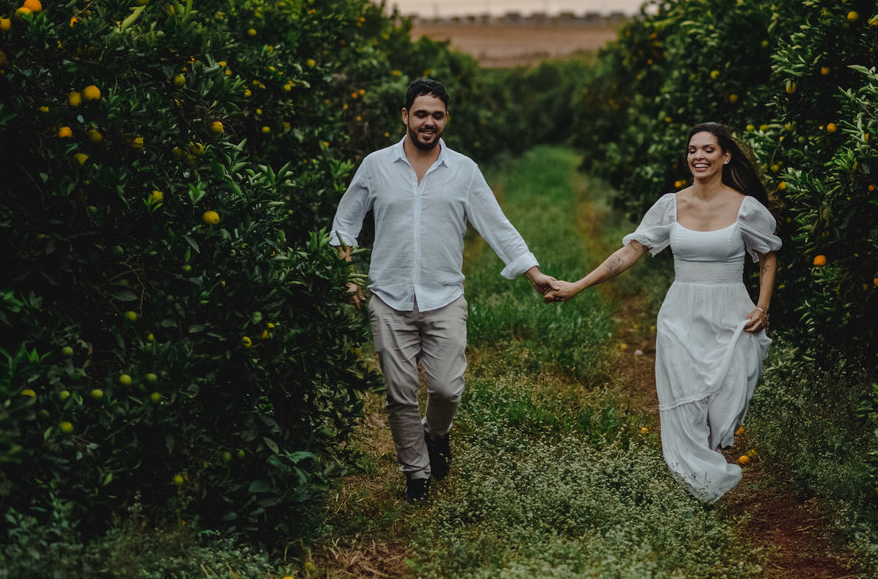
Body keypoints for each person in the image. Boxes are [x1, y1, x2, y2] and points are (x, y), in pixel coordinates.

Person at [329, 78, 555, 504]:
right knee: (398, 395)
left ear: (445, 119)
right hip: (388, 298)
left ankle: (436, 434)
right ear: (405, 116)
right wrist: (347, 275)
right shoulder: (376, 165)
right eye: (420, 114)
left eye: (436, 115)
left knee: (447, 388)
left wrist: (533, 273)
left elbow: (497, 227)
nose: (428, 122)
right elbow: (345, 223)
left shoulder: (464, 171)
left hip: (444, 297)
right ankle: (416, 474)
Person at [544, 122, 780, 504]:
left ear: (725, 156)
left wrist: (762, 307)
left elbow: (768, 257)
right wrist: (577, 285)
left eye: (707, 150)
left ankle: (705, 467)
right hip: (681, 317)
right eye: (692, 150)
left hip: (733, 315)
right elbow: (629, 253)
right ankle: (701, 488)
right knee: (686, 404)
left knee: (729, 401)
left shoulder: (746, 208)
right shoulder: (670, 205)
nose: (698, 157)